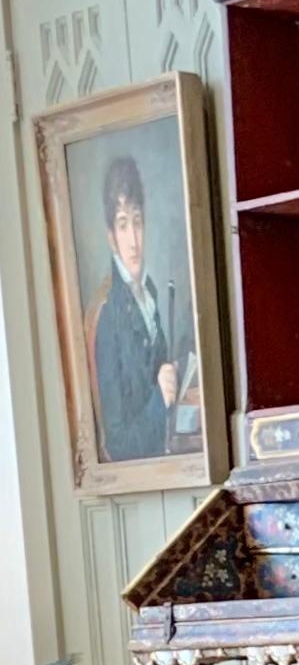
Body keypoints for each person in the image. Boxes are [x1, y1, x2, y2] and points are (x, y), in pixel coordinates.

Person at [89, 154, 176, 464]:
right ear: (111, 236)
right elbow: (119, 443)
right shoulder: (109, 316)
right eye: (123, 225)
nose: (133, 240)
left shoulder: (148, 293)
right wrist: (160, 400)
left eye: (137, 222)